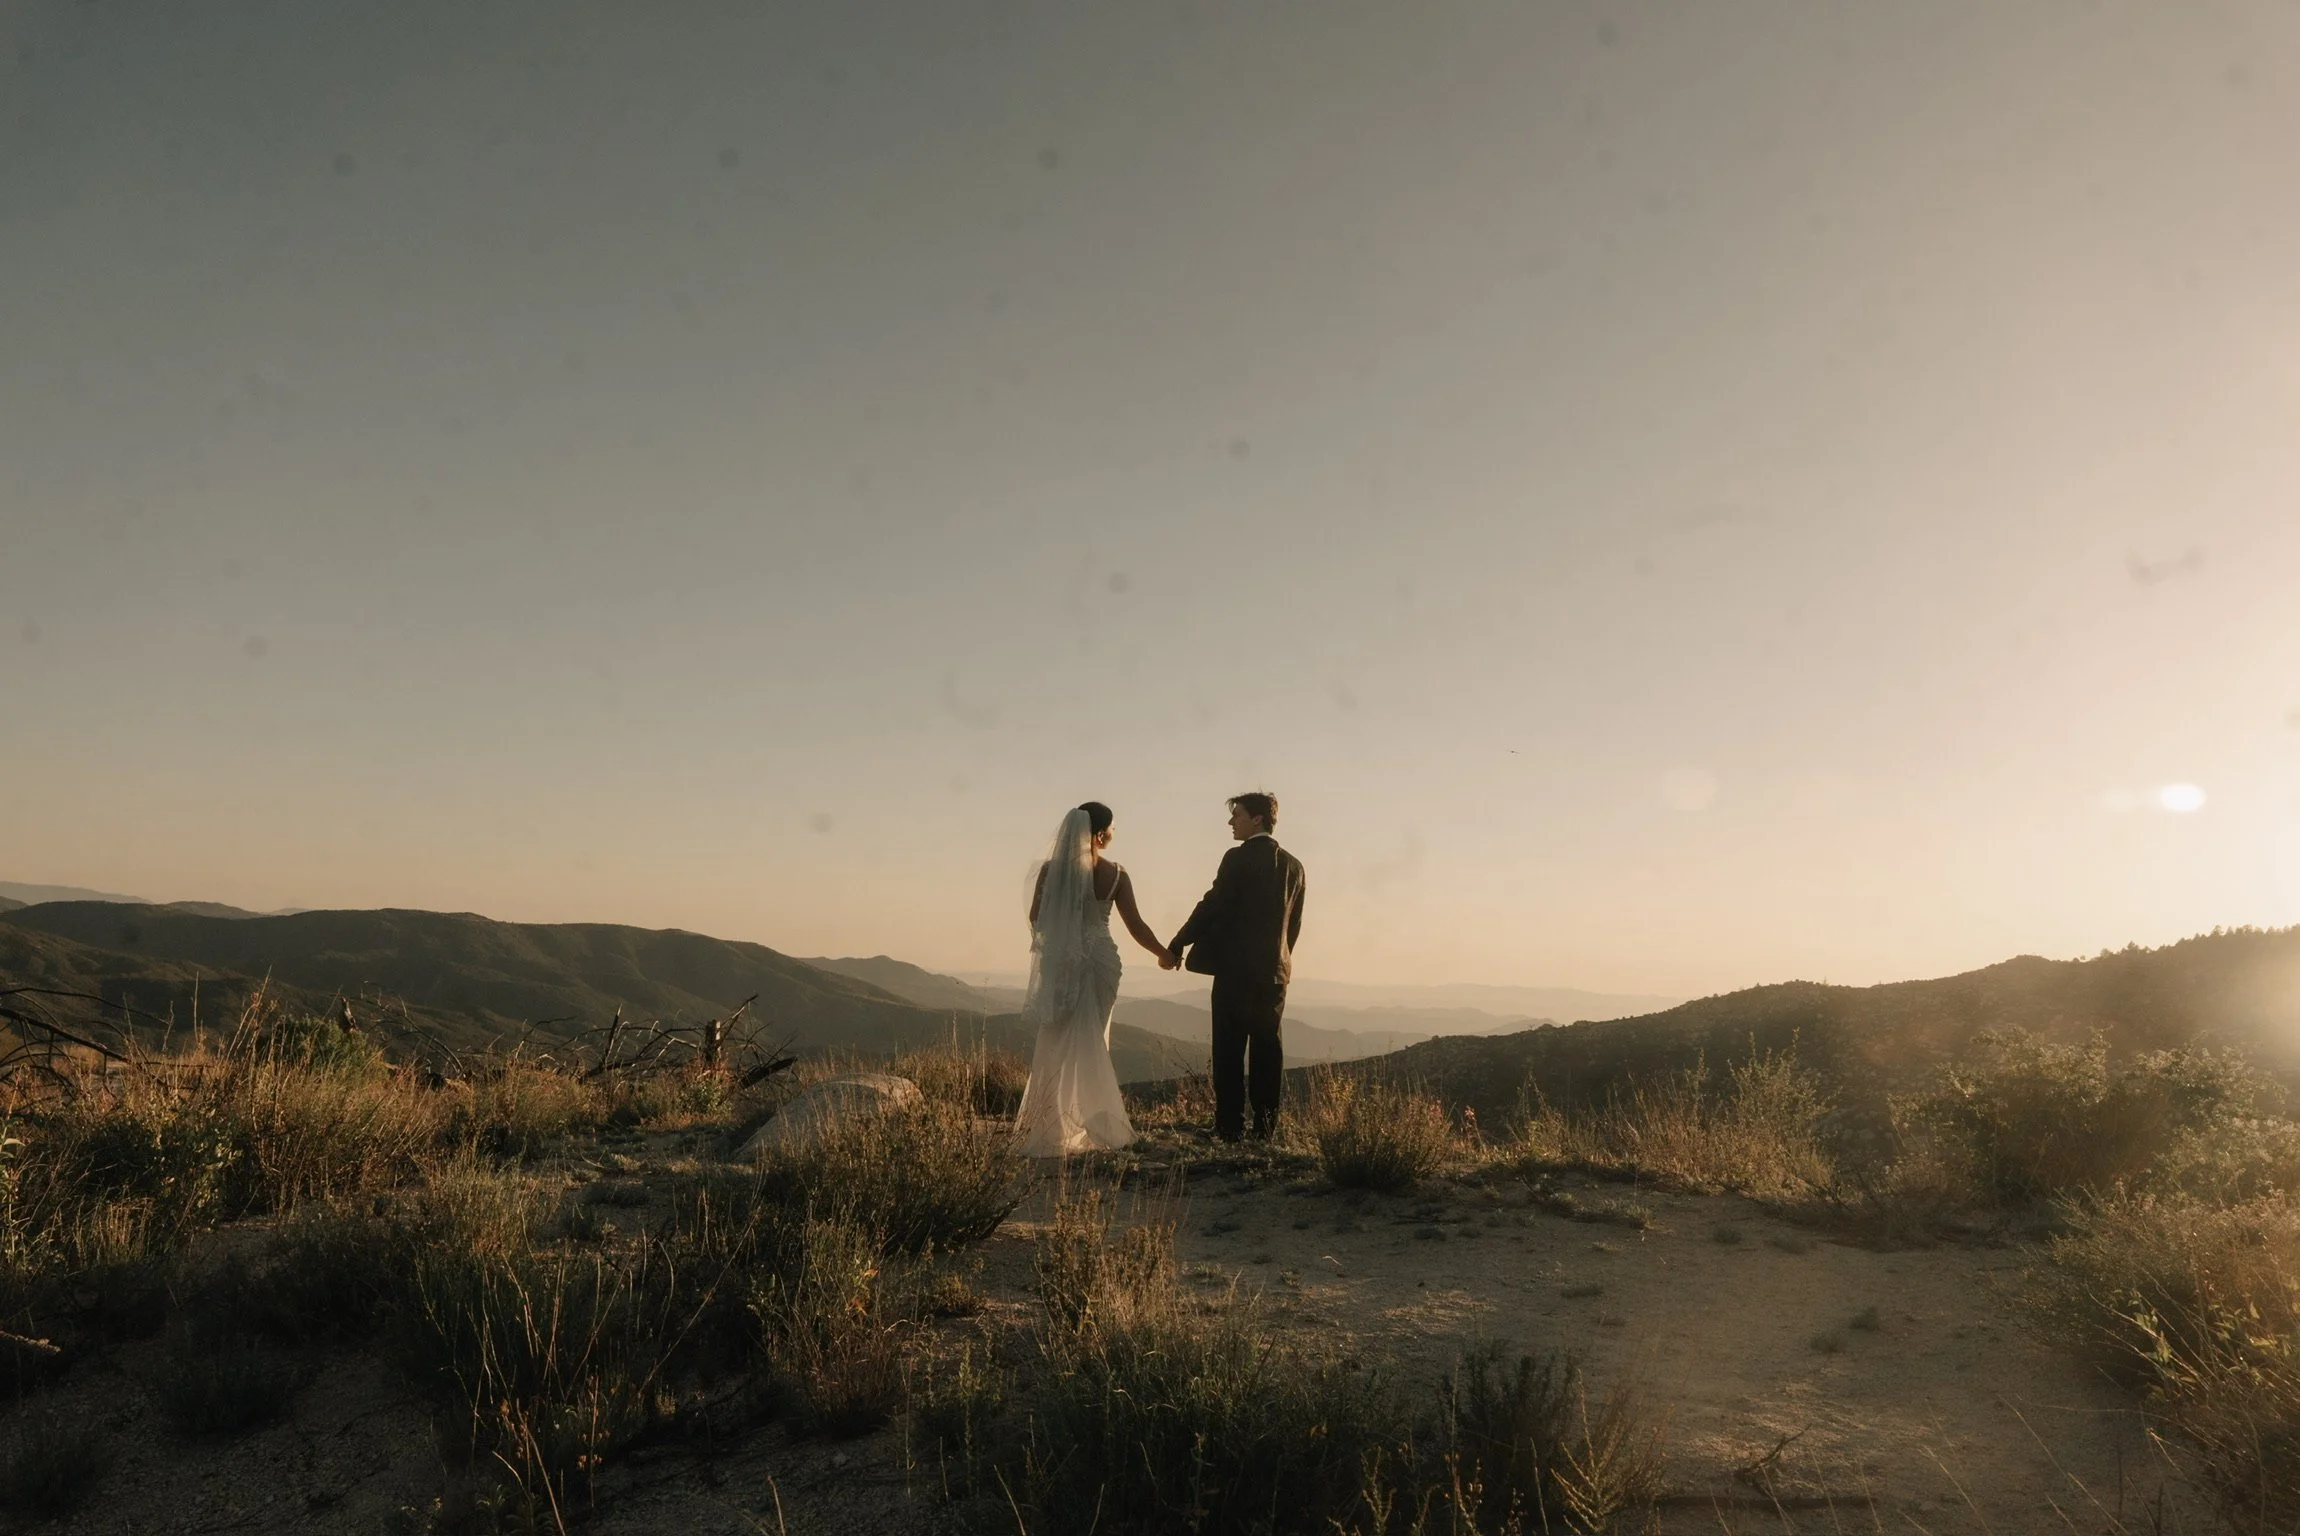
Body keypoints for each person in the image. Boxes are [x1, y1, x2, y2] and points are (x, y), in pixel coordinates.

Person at [1012, 801, 1170, 1155]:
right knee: (1093, 1039)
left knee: (1054, 1040)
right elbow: (1137, 926)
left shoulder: (1050, 872)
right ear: (1100, 834)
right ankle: (1095, 1121)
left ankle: (1052, 1126)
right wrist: (1163, 952)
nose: (1115, 833)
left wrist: (1065, 938)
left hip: (1063, 964)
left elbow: (1038, 919)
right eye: (1113, 827)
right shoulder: (1116, 874)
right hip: (1100, 961)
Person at [1163, 792, 1306, 1141]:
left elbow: (1213, 904)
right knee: (1267, 1050)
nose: (1231, 822)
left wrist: (1179, 941)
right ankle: (1265, 1127)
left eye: (1237, 815)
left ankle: (1229, 1125)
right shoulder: (1294, 866)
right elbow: (1294, 925)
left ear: (1257, 819)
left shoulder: (1237, 859)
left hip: (1235, 971)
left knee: (1228, 1049)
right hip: (1274, 973)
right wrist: (1278, 960)